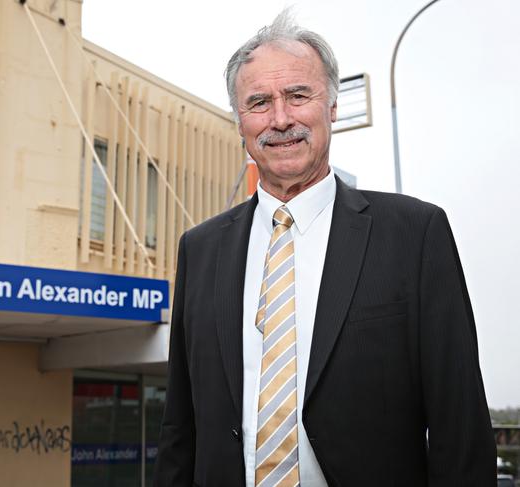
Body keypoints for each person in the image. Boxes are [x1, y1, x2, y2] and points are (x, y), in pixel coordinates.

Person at [153, 9, 496, 487]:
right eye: (258, 102)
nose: (280, 119)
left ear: (330, 106)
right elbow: (180, 427)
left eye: (298, 96)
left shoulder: (415, 233)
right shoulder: (200, 249)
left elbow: (459, 426)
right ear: (239, 122)